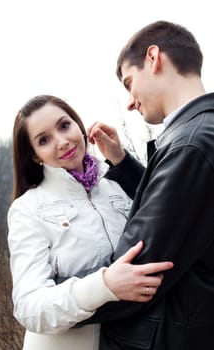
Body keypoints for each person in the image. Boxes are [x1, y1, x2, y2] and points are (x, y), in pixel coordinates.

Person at [76, 20, 214, 349]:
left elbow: (140, 269)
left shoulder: (190, 146)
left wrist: (53, 300)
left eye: (129, 82)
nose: (129, 101)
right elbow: (181, 215)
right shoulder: (196, 137)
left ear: (153, 58)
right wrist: (123, 164)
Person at [7, 94, 173, 350]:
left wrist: (122, 160)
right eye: (44, 140)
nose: (62, 142)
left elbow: (166, 213)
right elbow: (30, 307)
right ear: (35, 156)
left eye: (64, 125)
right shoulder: (27, 209)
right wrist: (104, 285)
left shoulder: (117, 181)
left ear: (78, 124)